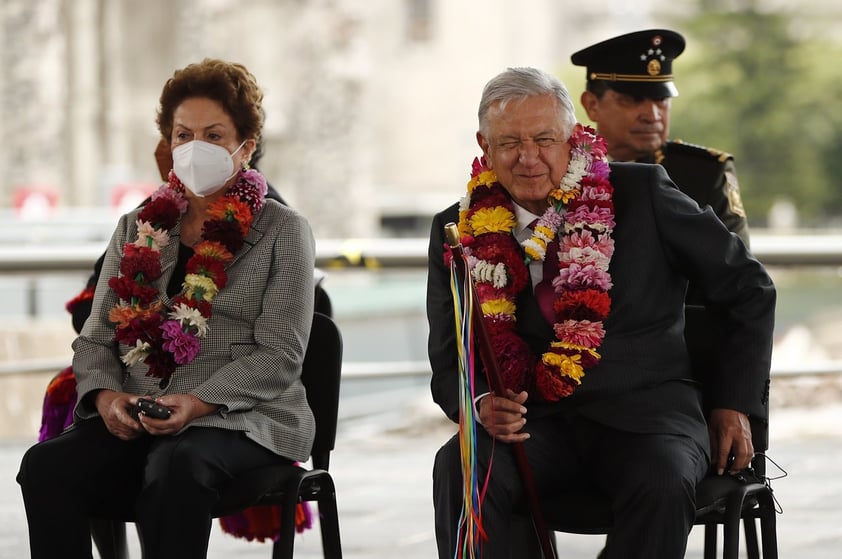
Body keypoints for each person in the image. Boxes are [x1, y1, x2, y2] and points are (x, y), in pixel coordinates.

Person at [426, 67, 775, 558]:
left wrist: (734, 403)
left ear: (573, 137)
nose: (528, 159)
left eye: (545, 139)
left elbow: (749, 287)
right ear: (483, 144)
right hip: (533, 422)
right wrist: (479, 402)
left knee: (661, 479)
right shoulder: (457, 230)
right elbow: (448, 356)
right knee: (461, 468)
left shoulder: (643, 193)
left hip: (649, 416)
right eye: (509, 143)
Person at [18, 58, 317, 559]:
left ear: (246, 145)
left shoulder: (283, 230)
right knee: (46, 468)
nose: (195, 148)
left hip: (246, 418)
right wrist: (108, 399)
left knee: (177, 464)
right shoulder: (138, 226)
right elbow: (94, 339)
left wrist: (197, 404)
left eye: (214, 134)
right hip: (139, 413)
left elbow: (281, 355)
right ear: (168, 142)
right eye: (184, 134)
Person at [571, 29, 749, 246]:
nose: (652, 115)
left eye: (661, 99)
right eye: (633, 99)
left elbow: (737, 273)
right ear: (592, 105)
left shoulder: (704, 175)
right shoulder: (560, 169)